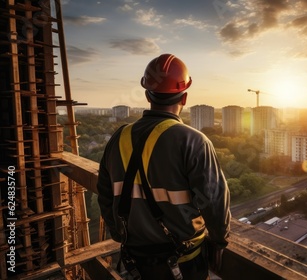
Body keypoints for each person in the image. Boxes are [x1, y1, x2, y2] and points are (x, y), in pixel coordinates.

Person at [97, 53, 231, 280]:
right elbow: (212, 197)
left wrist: (119, 233)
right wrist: (219, 241)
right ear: (184, 98)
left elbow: (105, 194)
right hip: (183, 261)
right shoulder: (193, 141)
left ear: (148, 94)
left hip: (135, 259)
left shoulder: (118, 137)